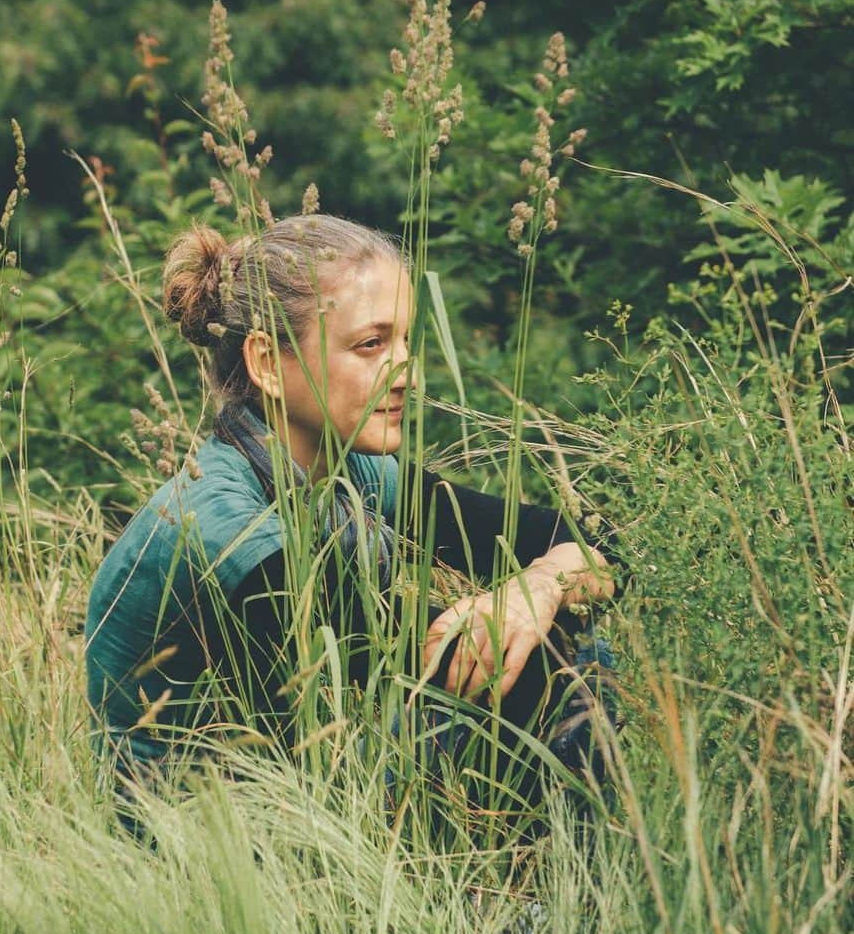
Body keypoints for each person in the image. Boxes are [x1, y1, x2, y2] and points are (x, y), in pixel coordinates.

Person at [85, 214, 615, 827]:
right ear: (264, 361)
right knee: (545, 662)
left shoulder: (349, 472)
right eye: (371, 345)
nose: (408, 374)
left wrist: (537, 589)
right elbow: (401, 669)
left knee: (549, 638)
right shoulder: (222, 527)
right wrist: (518, 611)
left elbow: (586, 543)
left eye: (407, 343)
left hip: (308, 807)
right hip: (201, 857)